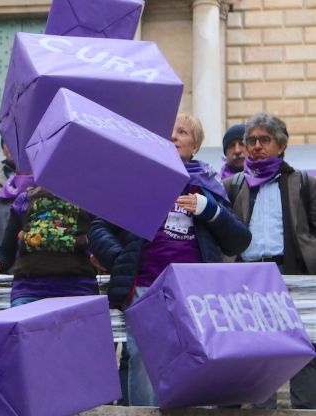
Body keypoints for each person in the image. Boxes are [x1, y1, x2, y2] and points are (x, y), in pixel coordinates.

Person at [88, 113, 252, 406]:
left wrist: (209, 210)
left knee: (199, 360)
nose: (173, 136)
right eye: (168, 131)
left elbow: (239, 240)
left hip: (196, 292)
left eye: (183, 132)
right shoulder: (138, 180)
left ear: (196, 146)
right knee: (142, 361)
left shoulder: (208, 185)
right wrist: (120, 259)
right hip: (146, 286)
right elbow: (99, 226)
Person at [222, 112, 316, 409]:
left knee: (302, 345)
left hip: (290, 273)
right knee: (252, 348)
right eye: (252, 140)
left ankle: (305, 409)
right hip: (246, 276)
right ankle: (263, 409)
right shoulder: (233, 185)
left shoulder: (302, 182)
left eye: (265, 139)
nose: (256, 146)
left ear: (282, 145)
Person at [0, 186, 97, 307]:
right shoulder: (25, 200)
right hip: (29, 292)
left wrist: (100, 258)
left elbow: (99, 244)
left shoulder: (88, 200)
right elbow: (6, 252)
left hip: (79, 291)